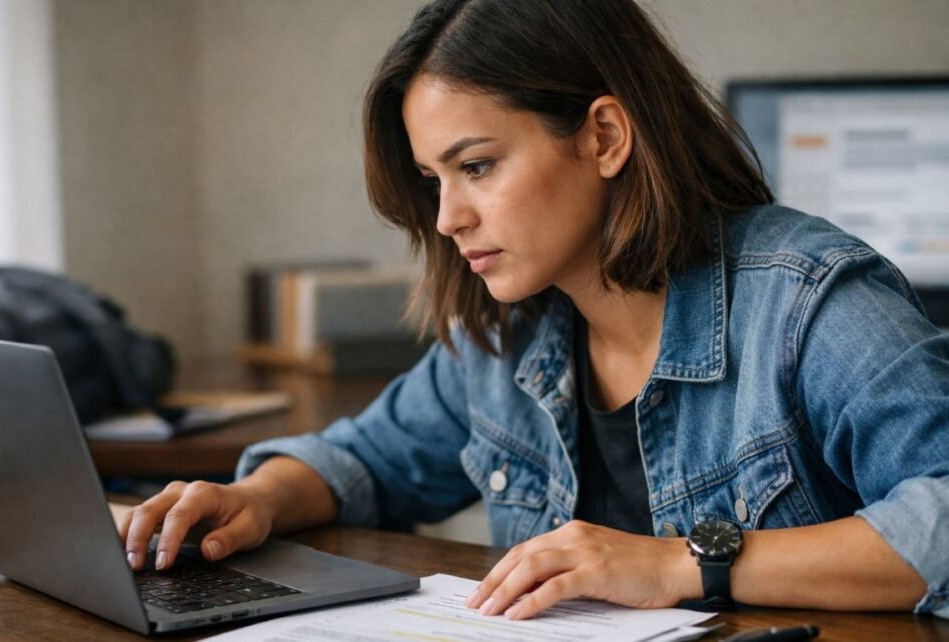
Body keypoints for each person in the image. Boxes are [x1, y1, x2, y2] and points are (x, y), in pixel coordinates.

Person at [120, 0, 948, 620]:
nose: (446, 219)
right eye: (434, 180)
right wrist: (260, 497)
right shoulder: (504, 332)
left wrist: (680, 565)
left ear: (604, 137)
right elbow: (366, 461)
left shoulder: (811, 301)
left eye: (475, 166)